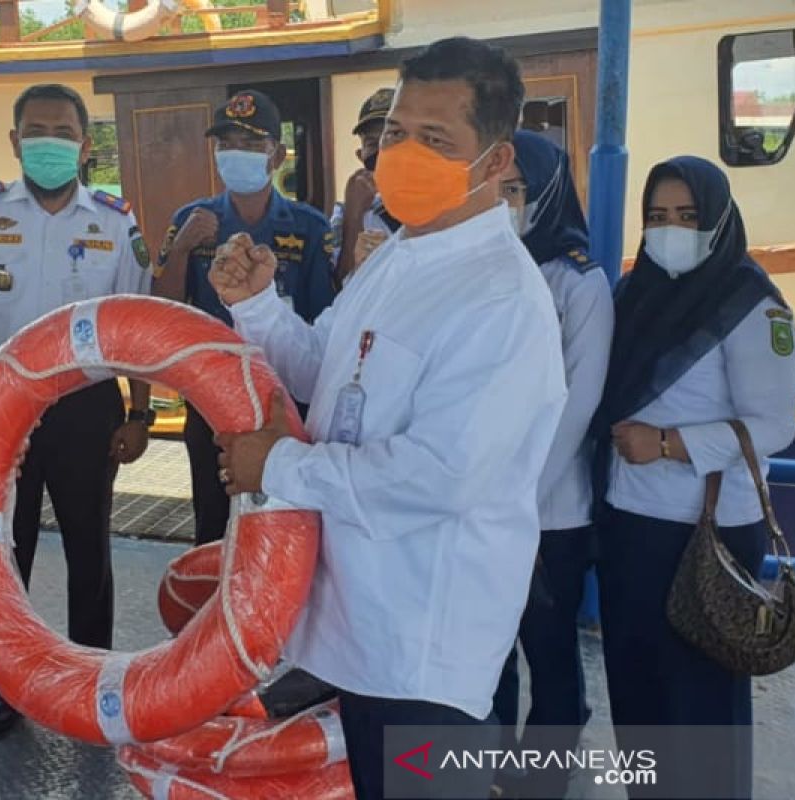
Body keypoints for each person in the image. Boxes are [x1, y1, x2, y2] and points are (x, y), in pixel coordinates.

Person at [210, 38, 566, 800]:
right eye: (398, 133)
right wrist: (258, 308)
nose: (403, 153)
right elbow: (327, 374)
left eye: (436, 140)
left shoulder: (503, 299)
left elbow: (441, 477)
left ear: (497, 159)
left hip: (424, 651)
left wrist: (275, 466)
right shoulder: (401, 257)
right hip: (360, 633)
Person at [0, 83, 154, 738]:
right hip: (0, 409)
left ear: (85, 145)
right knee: (3, 545)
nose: (48, 141)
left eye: (62, 131)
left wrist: (138, 414)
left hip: (87, 406)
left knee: (90, 546)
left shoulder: (116, 221)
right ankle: (9, 682)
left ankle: (90, 679)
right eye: (36, 130)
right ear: (14, 141)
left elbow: (133, 325)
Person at [592, 156, 795, 799]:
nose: (669, 230)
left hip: (705, 534)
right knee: (636, 688)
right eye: (657, 217)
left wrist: (671, 442)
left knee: (699, 703)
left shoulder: (751, 305)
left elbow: (771, 425)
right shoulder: (636, 292)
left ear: (717, 220)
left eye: (686, 216)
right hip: (630, 523)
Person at [154, 89, 336, 546]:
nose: (237, 154)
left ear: (277, 156)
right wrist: (181, 249)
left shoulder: (308, 227)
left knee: (283, 528)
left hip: (285, 402)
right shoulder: (191, 220)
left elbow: (322, 325)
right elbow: (165, 307)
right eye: (227, 144)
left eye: (252, 145)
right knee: (213, 528)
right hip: (209, 399)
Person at [489, 131, 613, 797]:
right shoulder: (482, 271)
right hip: (485, 504)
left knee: (550, 649)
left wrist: (521, 500)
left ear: (546, 194)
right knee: (489, 652)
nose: (505, 203)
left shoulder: (577, 281)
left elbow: (579, 402)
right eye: (497, 189)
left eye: (517, 191)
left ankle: (544, 779)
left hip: (549, 511)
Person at [330, 87, 397, 284]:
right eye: (372, 143)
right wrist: (354, 214)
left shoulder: (442, 203)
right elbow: (342, 286)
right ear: (361, 156)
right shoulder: (345, 214)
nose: (382, 149)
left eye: (393, 136)